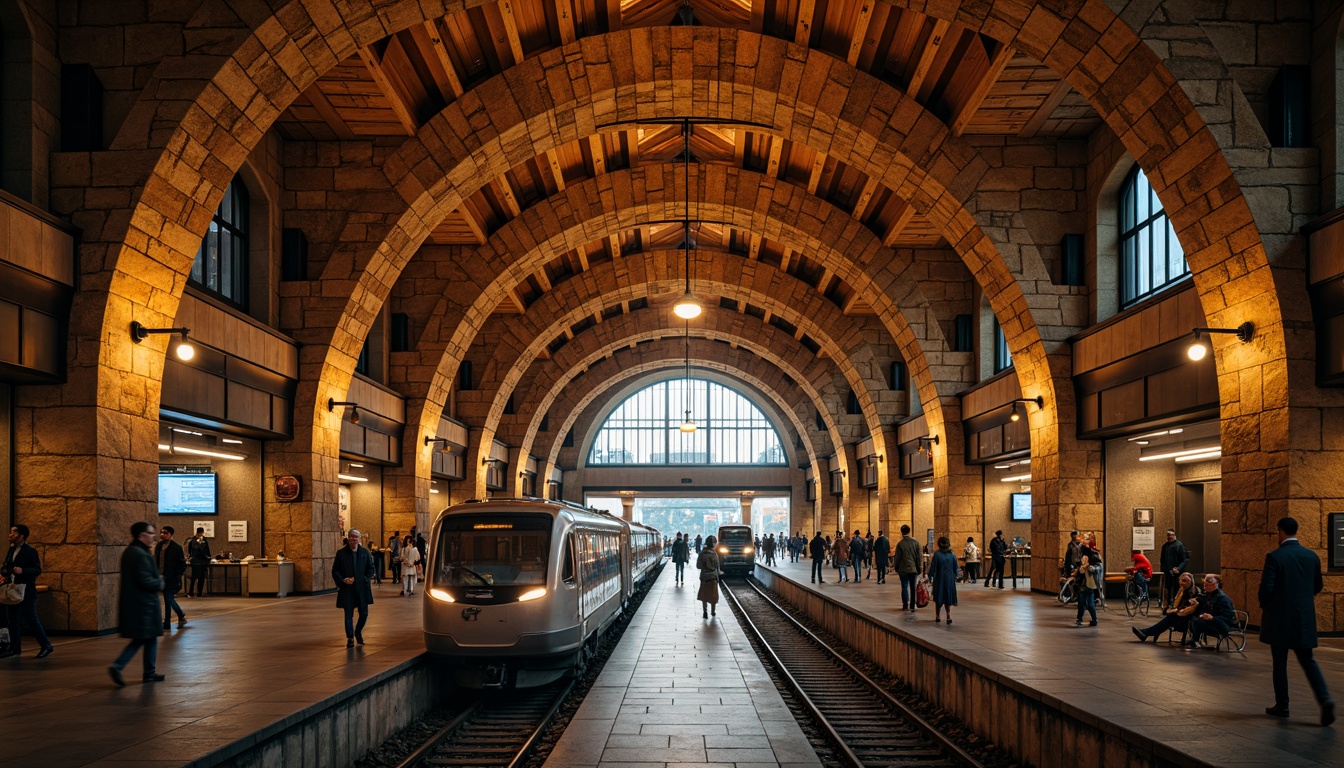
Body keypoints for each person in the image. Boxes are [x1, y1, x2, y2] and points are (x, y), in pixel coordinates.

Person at [1259, 517, 1335, 726]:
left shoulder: (1275, 557)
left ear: (1280, 531)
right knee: (1308, 660)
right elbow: (1317, 585)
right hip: (1303, 616)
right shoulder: (1311, 556)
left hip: (1280, 617)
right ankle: (1324, 698)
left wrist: (1267, 606)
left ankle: (1282, 705)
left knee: (1280, 662)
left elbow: (1267, 588)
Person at [108, 522, 166, 686]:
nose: (154, 536)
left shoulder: (132, 551)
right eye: (151, 533)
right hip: (143, 606)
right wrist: (159, 582)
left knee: (147, 639)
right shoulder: (139, 554)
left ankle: (148, 672)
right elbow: (145, 580)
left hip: (139, 604)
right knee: (144, 638)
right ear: (142, 535)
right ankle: (119, 665)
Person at [2, 525, 54, 659]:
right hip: (13, 589)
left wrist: (23, 570)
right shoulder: (12, 548)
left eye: (14, 532)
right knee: (12, 619)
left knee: (31, 618)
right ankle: (14, 647)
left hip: (27, 590)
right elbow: (6, 566)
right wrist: (6, 571)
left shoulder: (30, 551)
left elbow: (37, 570)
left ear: (22, 535)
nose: (10, 534)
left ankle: (46, 645)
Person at [333, 529, 375, 646]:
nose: (353, 540)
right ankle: (350, 638)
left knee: (364, 613)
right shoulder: (341, 553)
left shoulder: (365, 553)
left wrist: (365, 579)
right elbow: (335, 570)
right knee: (348, 615)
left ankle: (358, 631)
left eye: (355, 538)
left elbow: (371, 569)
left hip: (361, 588)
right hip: (347, 589)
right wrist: (343, 580)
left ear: (359, 539)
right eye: (351, 538)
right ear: (348, 539)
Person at [1132, 572, 1200, 642]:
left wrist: (1174, 611)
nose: (1182, 583)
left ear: (1190, 581)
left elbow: (1187, 607)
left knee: (1171, 618)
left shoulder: (1193, 592)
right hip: (1179, 616)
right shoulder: (1182, 590)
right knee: (1170, 617)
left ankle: (1146, 632)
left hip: (1188, 620)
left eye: (1185, 581)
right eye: (1181, 580)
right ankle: (1147, 632)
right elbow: (1176, 604)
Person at [1187, 574, 1236, 647]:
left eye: (1208, 581)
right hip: (1211, 621)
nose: (1205, 583)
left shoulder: (1222, 599)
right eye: (1204, 581)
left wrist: (1212, 618)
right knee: (1192, 617)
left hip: (1221, 624)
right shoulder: (1206, 596)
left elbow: (1228, 616)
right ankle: (1195, 640)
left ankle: (1195, 640)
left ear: (1215, 584)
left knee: (1198, 621)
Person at [155, 526, 188, 630]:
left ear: (171, 534)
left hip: (171, 578)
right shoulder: (159, 546)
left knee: (168, 599)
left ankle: (181, 615)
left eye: (165, 533)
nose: (162, 535)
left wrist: (178, 575)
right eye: (161, 532)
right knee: (167, 600)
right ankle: (167, 623)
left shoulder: (176, 548)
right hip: (161, 577)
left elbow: (182, 564)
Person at [927, 537, 958, 623]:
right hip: (949, 578)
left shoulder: (937, 554)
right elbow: (955, 567)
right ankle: (948, 616)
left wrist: (930, 577)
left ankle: (938, 616)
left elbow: (933, 567)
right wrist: (956, 576)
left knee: (939, 597)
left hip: (940, 578)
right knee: (948, 596)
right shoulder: (952, 554)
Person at [1159, 529, 1189, 610]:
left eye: (1171, 535)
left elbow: (1185, 559)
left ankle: (1176, 605)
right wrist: (1164, 570)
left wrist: (1179, 568)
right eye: (1168, 535)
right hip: (1168, 572)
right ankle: (1168, 605)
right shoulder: (1165, 546)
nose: (1169, 537)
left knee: (1177, 590)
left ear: (1174, 535)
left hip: (1177, 572)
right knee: (1168, 590)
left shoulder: (1179, 545)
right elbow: (1162, 559)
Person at [894, 525, 922, 612]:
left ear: (901, 532)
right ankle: (912, 605)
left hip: (903, 569)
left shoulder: (900, 544)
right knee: (913, 587)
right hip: (913, 569)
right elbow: (919, 557)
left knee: (904, 586)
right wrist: (919, 567)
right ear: (909, 531)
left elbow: (897, 557)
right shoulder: (916, 543)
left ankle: (905, 605)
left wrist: (896, 567)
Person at [696, 535, 721, 619]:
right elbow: (717, 566)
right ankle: (713, 611)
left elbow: (698, 566)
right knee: (713, 595)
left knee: (704, 595)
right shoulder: (715, 554)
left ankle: (705, 611)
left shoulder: (702, 553)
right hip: (713, 577)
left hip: (704, 577)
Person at [1072, 554, 1100, 627]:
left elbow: (1094, 570)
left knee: (1090, 605)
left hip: (1089, 588)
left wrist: (1087, 566)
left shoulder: (1090, 567)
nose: (1083, 560)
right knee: (1081, 604)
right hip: (1082, 589)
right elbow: (1079, 574)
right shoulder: (1081, 568)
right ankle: (1079, 619)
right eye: (1083, 559)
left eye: (1085, 558)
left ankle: (1094, 620)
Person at [185, 527, 210, 597]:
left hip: (195, 561)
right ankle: (199, 593)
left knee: (194, 577)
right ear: (202, 532)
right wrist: (208, 558)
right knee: (200, 578)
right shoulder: (203, 540)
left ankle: (191, 592)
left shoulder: (192, 540)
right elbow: (206, 550)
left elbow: (190, 551)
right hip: (201, 561)